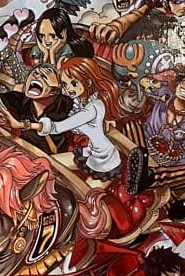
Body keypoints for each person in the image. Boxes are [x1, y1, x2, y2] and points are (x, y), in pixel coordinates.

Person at [8, 57, 123, 185]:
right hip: (89, 153)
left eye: (74, 84)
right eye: (65, 84)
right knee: (42, 165)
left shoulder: (93, 108)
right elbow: (55, 90)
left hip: (106, 161)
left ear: (88, 82)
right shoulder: (79, 100)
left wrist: (24, 125)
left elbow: (58, 127)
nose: (69, 89)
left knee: (86, 194)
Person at [0, 64, 75, 155]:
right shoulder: (21, 101)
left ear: (54, 91)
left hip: (58, 157)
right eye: (35, 73)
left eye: (44, 77)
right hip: (24, 152)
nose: (37, 77)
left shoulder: (65, 105)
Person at [29, 8, 94, 67]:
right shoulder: (37, 49)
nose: (46, 40)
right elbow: (38, 72)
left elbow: (57, 74)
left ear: (64, 33)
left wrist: (52, 52)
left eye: (53, 36)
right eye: (42, 36)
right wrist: (46, 54)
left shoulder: (66, 49)